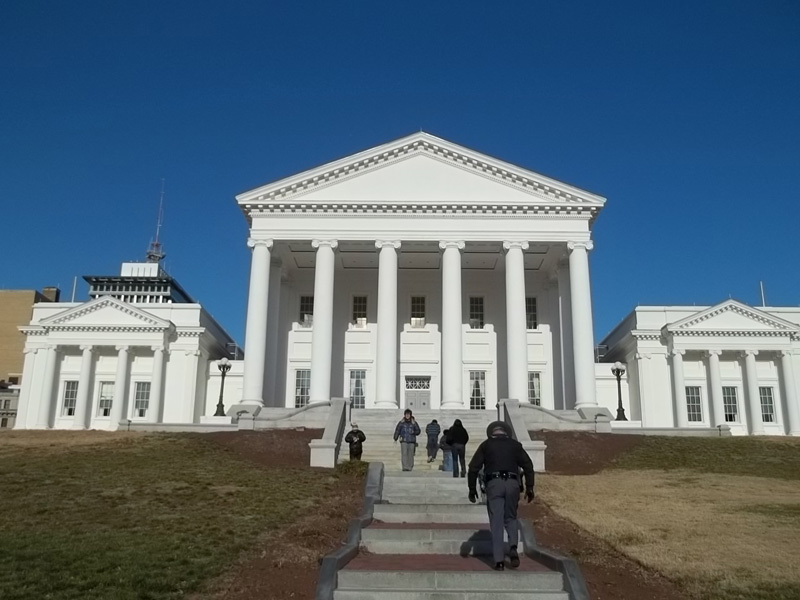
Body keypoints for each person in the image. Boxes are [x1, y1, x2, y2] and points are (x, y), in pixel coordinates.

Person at [467, 421, 534, 571]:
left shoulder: (486, 445)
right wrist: (530, 487)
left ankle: (499, 561)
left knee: (496, 521)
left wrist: (472, 489)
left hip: (494, 484)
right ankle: (513, 547)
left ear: (492, 432)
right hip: (512, 483)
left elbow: (473, 468)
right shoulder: (515, 445)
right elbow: (528, 465)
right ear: (506, 433)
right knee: (510, 517)